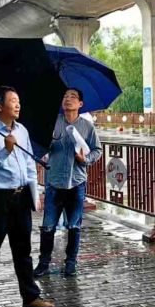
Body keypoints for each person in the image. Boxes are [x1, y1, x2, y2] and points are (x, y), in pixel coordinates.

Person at [0, 86, 55, 307]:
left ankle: (30, 296)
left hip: (20, 198)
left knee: (23, 251)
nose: (18, 105)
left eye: (19, 100)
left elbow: (29, 165)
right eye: (12, 100)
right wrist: (4, 152)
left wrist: (34, 192)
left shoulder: (22, 130)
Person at [34, 87, 102, 278]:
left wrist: (85, 160)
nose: (68, 99)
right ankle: (43, 263)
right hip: (54, 182)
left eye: (73, 97)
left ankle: (71, 262)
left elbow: (97, 150)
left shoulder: (87, 127)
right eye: (65, 96)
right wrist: (42, 154)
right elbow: (40, 149)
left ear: (80, 104)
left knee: (74, 225)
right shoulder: (52, 124)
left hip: (76, 182)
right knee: (48, 225)